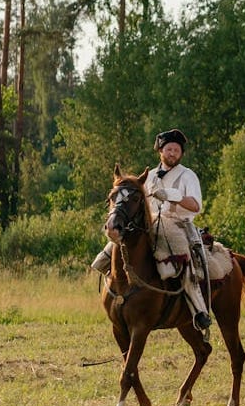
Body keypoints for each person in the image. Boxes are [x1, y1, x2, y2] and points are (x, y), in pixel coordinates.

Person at [90, 129, 212, 330]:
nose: (172, 153)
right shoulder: (150, 176)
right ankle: (115, 291)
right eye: (168, 149)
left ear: (181, 153)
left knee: (184, 257)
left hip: (178, 224)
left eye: (176, 150)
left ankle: (199, 310)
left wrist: (172, 196)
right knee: (112, 249)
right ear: (160, 152)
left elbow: (196, 205)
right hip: (148, 224)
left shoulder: (188, 175)